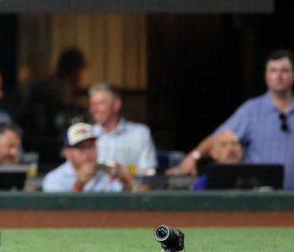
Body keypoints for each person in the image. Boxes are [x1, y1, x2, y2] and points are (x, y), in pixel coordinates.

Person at [169, 49, 294, 189]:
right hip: (261, 196)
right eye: (273, 70)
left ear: (292, 75)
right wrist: (194, 156)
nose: (279, 76)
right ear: (266, 76)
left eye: (284, 70)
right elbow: (219, 138)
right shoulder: (251, 110)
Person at [21, 47, 89, 166]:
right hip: (46, 144)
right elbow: (59, 118)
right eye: (79, 71)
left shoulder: (57, 84)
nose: (80, 77)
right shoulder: (60, 86)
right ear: (73, 70)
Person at [42, 122, 137, 192]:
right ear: (68, 153)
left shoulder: (107, 173)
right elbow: (61, 215)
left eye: (92, 146)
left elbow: (130, 206)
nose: (88, 152)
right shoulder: (54, 179)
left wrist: (125, 180)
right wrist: (79, 185)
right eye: (81, 148)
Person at [88, 83, 157, 176]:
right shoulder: (88, 135)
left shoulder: (140, 133)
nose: (94, 109)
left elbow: (148, 172)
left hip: (130, 189)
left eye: (100, 103)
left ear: (116, 105)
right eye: (92, 104)